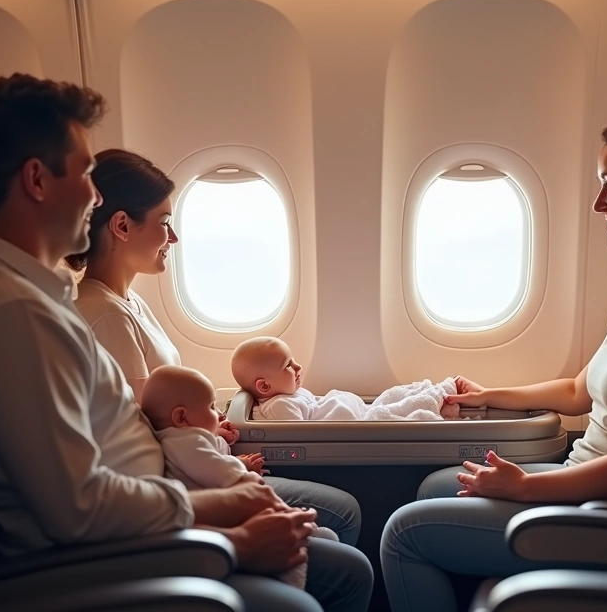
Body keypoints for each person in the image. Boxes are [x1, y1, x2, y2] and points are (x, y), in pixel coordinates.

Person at [0, 73, 371, 612]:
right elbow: (78, 510)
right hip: (101, 562)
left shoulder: (24, 297)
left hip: (138, 523)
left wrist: (219, 502)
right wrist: (228, 529)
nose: (94, 195)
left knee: (329, 546)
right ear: (37, 180)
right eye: (86, 174)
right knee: (343, 572)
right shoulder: (9, 315)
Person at [380, 104, 607, 612]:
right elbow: (581, 390)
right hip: (594, 493)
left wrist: (529, 486)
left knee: (405, 535)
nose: (600, 204)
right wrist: (488, 396)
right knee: (433, 487)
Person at [65, 148, 363, 546]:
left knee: (343, 511)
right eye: (164, 222)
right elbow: (142, 436)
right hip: (183, 484)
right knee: (340, 518)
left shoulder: (128, 303)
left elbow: (163, 418)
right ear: (121, 225)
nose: (173, 237)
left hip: (198, 463)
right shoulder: (105, 316)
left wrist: (210, 433)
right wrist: (219, 460)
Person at [138, 365, 339, 589]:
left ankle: (306, 532)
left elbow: (210, 456)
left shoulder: (184, 436)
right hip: (217, 510)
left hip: (217, 500)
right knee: (262, 500)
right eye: (212, 407)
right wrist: (244, 471)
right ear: (182, 417)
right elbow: (215, 469)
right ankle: (294, 577)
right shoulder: (183, 441)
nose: (218, 414)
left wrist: (220, 436)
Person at [232, 336, 462, 421]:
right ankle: (438, 397)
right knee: (392, 411)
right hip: (357, 420)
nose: (298, 366)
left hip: (360, 411)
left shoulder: (288, 394)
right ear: (264, 386)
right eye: (288, 365)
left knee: (393, 396)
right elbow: (300, 435)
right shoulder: (279, 407)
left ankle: (433, 395)